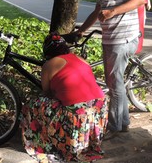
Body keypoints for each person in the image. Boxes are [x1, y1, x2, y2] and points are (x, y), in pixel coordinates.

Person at [75, 0, 145, 139]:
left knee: (114, 84)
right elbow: (97, 12)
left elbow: (140, 0)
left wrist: (113, 11)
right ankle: (123, 124)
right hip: (111, 40)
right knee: (115, 82)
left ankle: (114, 128)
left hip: (123, 38)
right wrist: (80, 31)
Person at [20, 32, 108, 162]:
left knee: (33, 105)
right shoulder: (80, 58)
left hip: (77, 113)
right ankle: (87, 143)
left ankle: (43, 141)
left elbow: (46, 92)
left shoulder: (49, 65)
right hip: (100, 108)